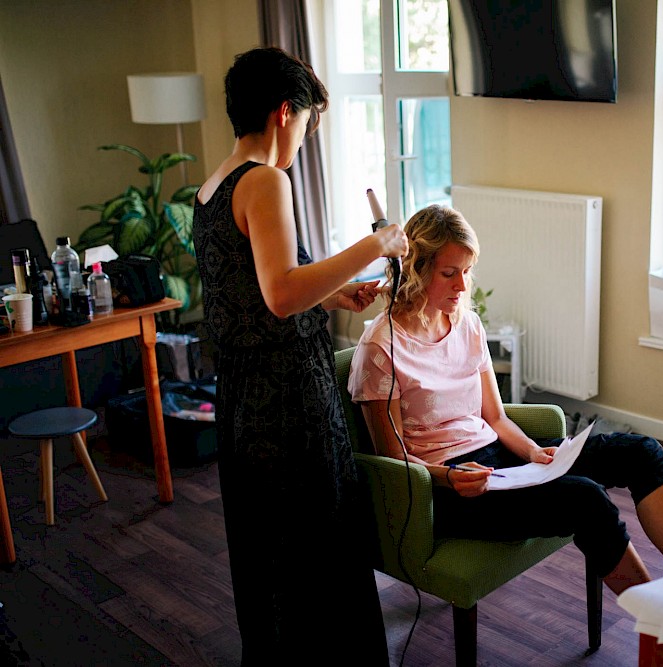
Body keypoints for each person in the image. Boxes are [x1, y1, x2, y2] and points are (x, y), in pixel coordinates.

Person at [348, 204, 663, 595]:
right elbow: (393, 460)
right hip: (446, 489)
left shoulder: (467, 323)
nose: (462, 286)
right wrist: (450, 477)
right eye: (449, 274)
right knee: (585, 499)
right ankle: (657, 624)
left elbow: (495, 418)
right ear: (417, 269)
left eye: (466, 271)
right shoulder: (381, 347)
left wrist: (534, 453)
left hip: (497, 460)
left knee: (641, 451)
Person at [192, 47, 407, 664]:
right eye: (308, 127)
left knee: (269, 551)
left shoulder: (212, 188)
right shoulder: (265, 180)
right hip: (287, 400)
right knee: (317, 546)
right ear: (285, 112)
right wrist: (375, 245)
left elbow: (252, 291)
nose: (304, 144)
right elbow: (282, 294)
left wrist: (335, 294)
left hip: (241, 397)